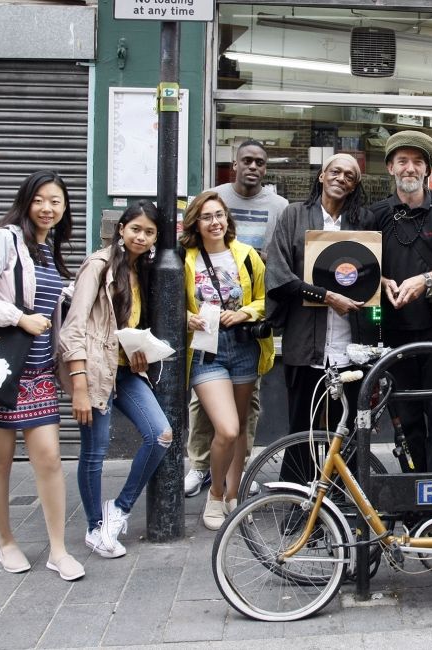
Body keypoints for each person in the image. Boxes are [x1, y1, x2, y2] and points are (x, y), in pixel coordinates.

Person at [0, 170, 84, 581]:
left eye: (56, 202)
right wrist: (19, 318)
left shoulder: (49, 251)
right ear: (25, 201)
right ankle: (6, 542)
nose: (48, 208)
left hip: (38, 373)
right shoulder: (4, 240)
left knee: (48, 458)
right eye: (40, 200)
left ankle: (59, 550)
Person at [60, 201, 171, 559]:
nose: (141, 236)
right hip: (94, 371)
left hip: (126, 370)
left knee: (160, 435)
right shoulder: (99, 265)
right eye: (135, 228)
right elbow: (73, 328)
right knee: (95, 451)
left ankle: (118, 509)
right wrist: (78, 385)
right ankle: (95, 528)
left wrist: (140, 349)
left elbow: (128, 327)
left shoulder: (145, 270)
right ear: (121, 229)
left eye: (149, 231)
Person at [184, 140, 288, 498]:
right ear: (234, 163)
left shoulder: (277, 208)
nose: (253, 167)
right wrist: (186, 318)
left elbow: (267, 289)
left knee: (245, 413)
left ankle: (234, 479)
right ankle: (200, 467)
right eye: (247, 160)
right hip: (204, 340)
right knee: (204, 409)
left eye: (260, 162)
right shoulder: (213, 196)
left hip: (243, 337)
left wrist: (246, 312)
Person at [362, 130, 432, 473]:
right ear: (391, 168)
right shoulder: (374, 213)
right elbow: (361, 265)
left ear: (427, 169)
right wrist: (380, 280)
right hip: (393, 330)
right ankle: (413, 486)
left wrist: (425, 280)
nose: (410, 168)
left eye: (418, 162)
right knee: (405, 415)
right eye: (403, 161)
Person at [263, 153, 371, 481]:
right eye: (335, 171)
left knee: (346, 428)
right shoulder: (294, 215)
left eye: (349, 175)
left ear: (355, 185)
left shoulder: (363, 221)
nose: (341, 178)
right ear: (322, 176)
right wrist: (325, 296)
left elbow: (374, 276)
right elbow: (278, 276)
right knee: (303, 427)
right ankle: (299, 503)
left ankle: (344, 499)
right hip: (304, 344)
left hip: (350, 347)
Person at [182, 190, 273, 530]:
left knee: (239, 431)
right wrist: (184, 317)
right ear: (196, 223)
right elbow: (165, 302)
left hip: (244, 346)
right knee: (227, 427)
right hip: (207, 350)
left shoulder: (247, 255)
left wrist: (247, 311)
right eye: (207, 217)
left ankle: (235, 494)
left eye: (219, 215)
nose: (215, 222)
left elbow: (267, 298)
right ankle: (216, 494)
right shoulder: (184, 258)